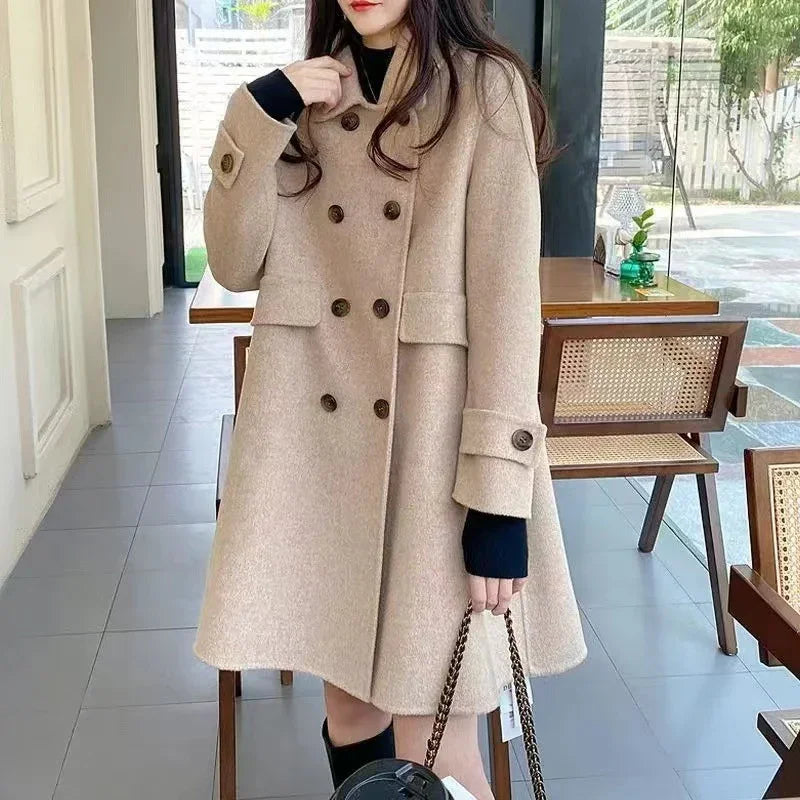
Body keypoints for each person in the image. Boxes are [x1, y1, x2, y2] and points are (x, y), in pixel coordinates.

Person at [194, 0, 586, 795]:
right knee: (349, 712)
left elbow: (510, 310)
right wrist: (260, 110)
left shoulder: (485, 92)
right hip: (321, 451)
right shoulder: (301, 98)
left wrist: (498, 502)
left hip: (434, 457)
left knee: (440, 741)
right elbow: (235, 263)